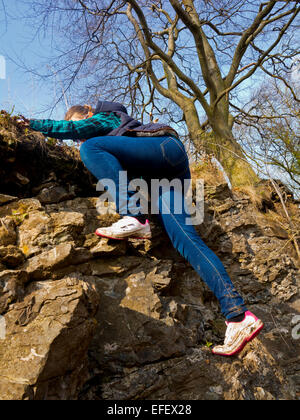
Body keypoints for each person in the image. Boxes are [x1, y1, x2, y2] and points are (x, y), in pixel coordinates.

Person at [20, 101, 264, 356]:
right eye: (76, 136)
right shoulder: (116, 150)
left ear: (89, 113)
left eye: (78, 127)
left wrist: (31, 124)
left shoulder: (108, 118)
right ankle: (238, 316)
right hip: (166, 182)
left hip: (163, 148)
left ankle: (134, 217)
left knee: (92, 147)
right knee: (188, 242)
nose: (79, 138)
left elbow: (80, 133)